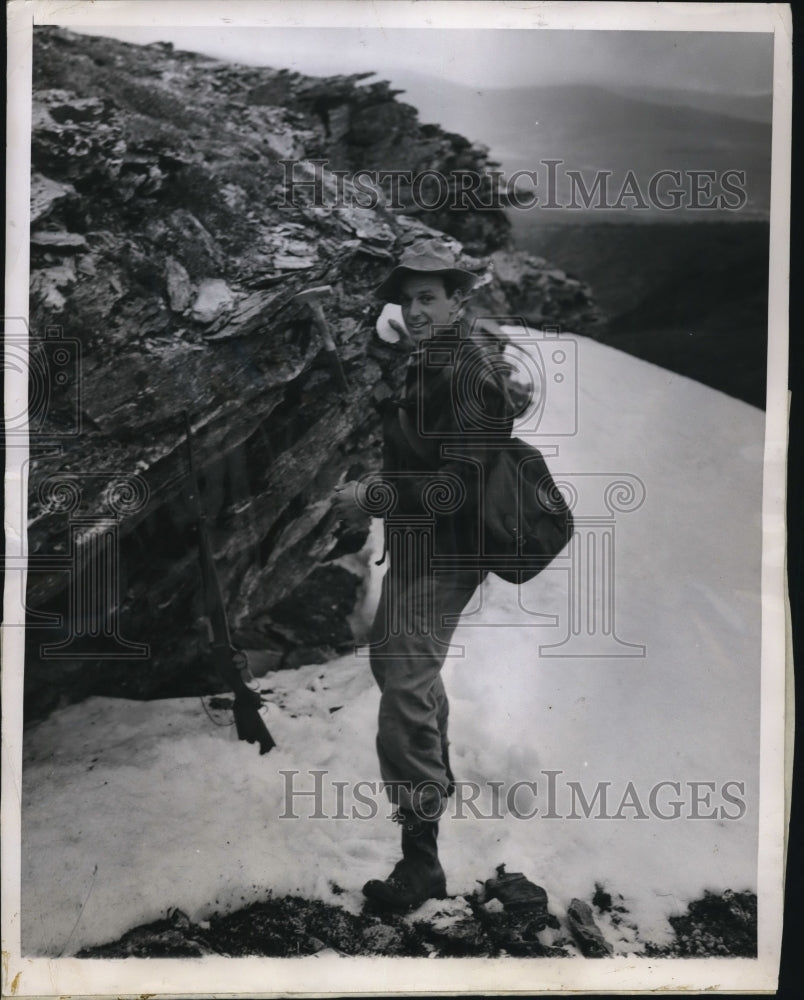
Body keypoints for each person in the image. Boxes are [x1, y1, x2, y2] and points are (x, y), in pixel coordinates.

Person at [334, 239, 515, 912]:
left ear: (458, 300)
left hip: (450, 547)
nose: (414, 310)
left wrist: (374, 497)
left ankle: (422, 858)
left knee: (404, 678)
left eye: (429, 297)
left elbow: (457, 488)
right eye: (407, 298)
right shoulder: (426, 360)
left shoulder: (470, 375)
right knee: (395, 665)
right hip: (417, 542)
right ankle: (434, 778)